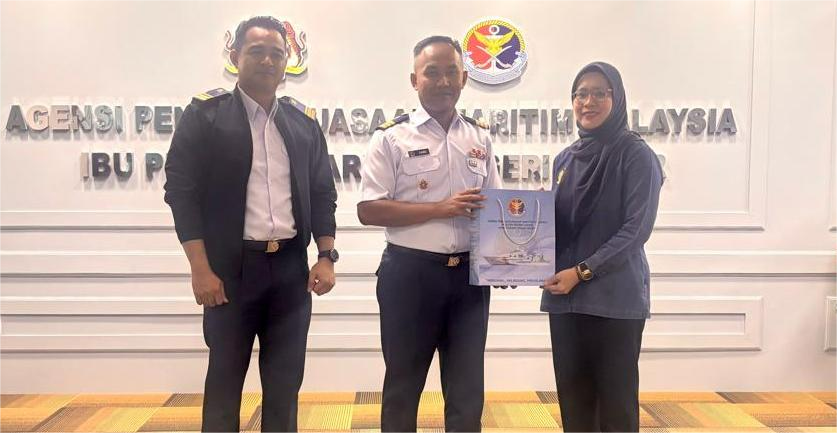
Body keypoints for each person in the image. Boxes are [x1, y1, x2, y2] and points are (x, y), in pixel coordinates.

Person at [163, 15, 338, 433]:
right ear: (235, 55)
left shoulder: (302, 123)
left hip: (290, 273)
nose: (268, 61)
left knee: (285, 388)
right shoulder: (205, 116)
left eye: (277, 53)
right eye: (257, 52)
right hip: (230, 273)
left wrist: (326, 255)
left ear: (287, 60)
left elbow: (322, 193)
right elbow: (180, 193)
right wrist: (200, 269)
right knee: (224, 386)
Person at [357, 35, 501, 433]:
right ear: (414, 80)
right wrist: (441, 208)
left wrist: (503, 262)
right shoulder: (391, 137)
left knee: (467, 393)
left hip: (468, 279)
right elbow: (369, 209)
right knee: (403, 389)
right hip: (410, 276)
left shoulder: (479, 137)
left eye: (451, 72)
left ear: (464, 78)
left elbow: (493, 206)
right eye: (432, 73)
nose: (443, 82)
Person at [541, 62, 663, 433]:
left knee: (615, 407)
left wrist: (582, 272)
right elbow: (558, 228)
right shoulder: (565, 159)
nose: (588, 102)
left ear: (617, 97)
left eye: (599, 93)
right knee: (575, 404)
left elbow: (635, 231)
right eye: (580, 94)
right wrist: (519, 256)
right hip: (566, 300)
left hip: (614, 300)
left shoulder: (636, 155)